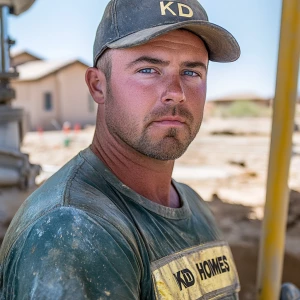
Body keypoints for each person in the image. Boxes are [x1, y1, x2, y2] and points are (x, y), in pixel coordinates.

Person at [0, 0, 243, 299]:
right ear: (98, 86)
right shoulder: (73, 229)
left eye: (191, 73)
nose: (176, 93)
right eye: (149, 69)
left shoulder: (193, 205)